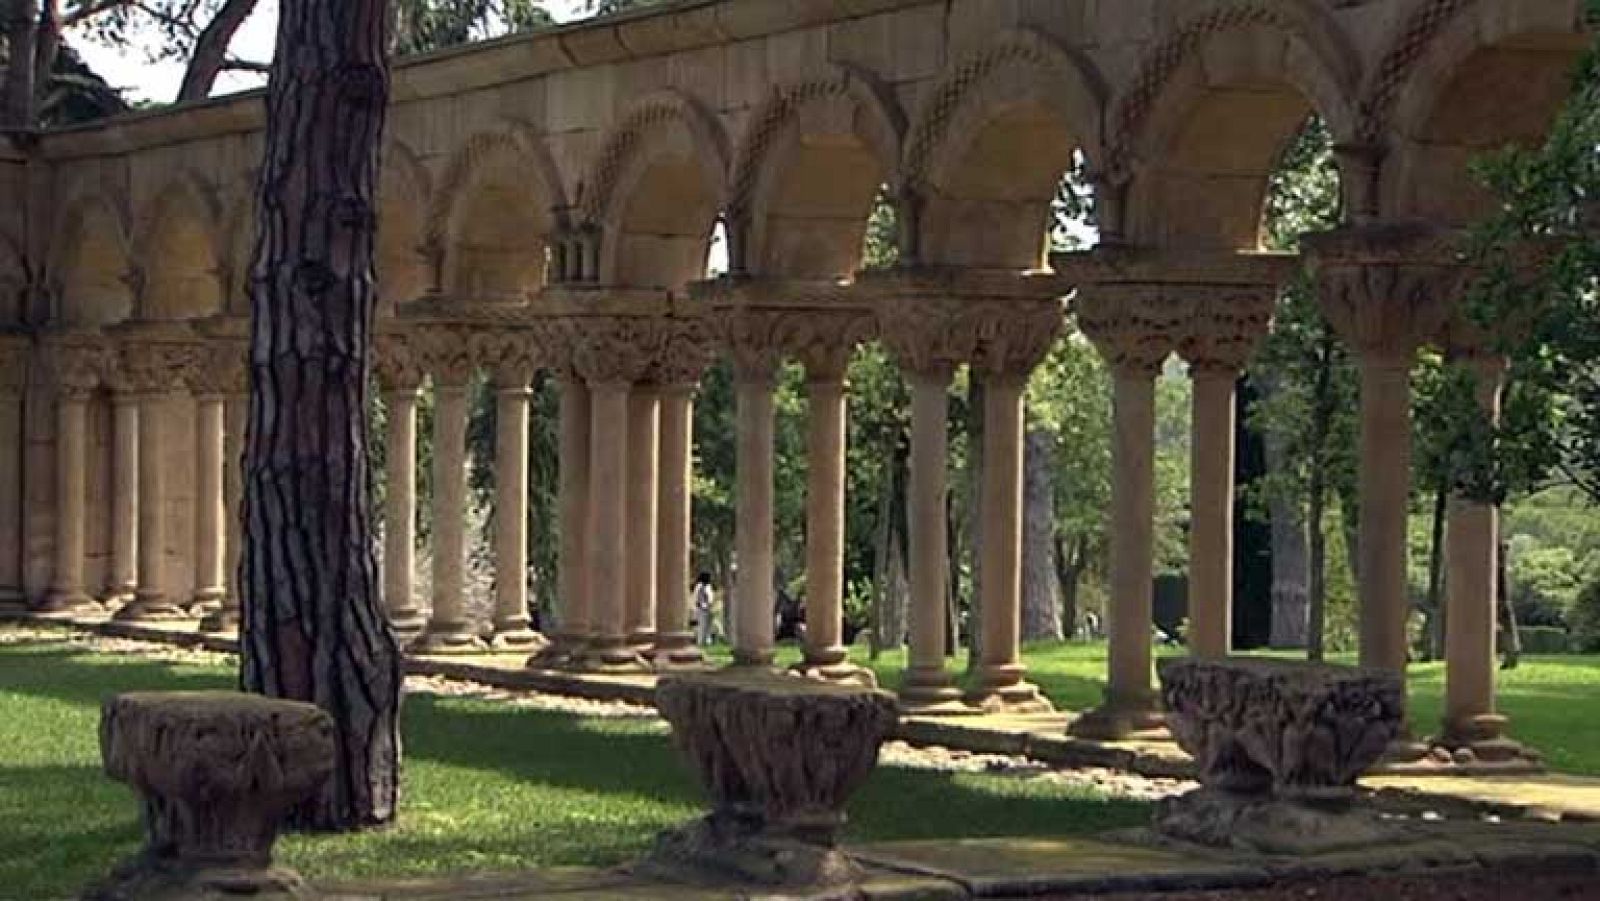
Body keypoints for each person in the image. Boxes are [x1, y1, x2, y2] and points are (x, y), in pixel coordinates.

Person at [693, 572, 715, 646]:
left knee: (708, 626)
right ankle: (700, 642)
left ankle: (707, 641)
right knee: (702, 626)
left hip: (708, 608)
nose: (710, 579)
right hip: (702, 609)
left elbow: (710, 598)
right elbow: (699, 599)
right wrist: (704, 606)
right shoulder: (700, 587)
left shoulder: (708, 586)